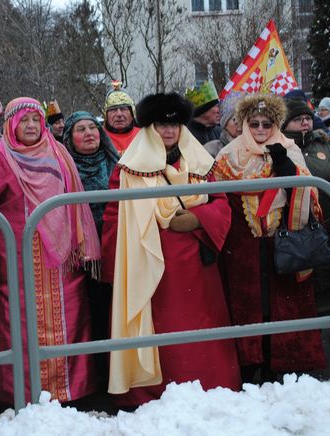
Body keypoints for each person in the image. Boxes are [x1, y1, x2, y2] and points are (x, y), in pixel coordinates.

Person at [101, 92, 240, 408]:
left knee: (201, 327)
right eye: (162, 124)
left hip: (197, 263)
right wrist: (112, 270)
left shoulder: (200, 163)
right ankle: (159, 393)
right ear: (150, 127)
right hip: (154, 266)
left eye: (175, 124)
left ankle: (213, 386)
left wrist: (197, 218)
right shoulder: (128, 169)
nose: (169, 131)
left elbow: (221, 203)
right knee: (166, 328)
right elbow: (114, 218)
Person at [0, 97, 100, 404]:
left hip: (63, 261)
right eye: (23, 120)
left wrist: (84, 250)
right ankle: (25, 394)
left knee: (71, 320)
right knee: (19, 326)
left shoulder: (60, 154)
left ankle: (71, 390)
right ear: (11, 124)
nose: (30, 126)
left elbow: (76, 203)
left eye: (36, 120)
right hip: (15, 259)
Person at [214, 94, 326, 384]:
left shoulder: (290, 150)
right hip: (242, 248)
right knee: (248, 308)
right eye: (254, 123)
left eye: (267, 123)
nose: (261, 129)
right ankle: (250, 363)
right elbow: (214, 196)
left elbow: (309, 194)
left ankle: (284, 364)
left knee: (282, 306)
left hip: (283, 241)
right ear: (244, 125)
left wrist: (285, 168)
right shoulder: (228, 155)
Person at [62, 111, 119, 389]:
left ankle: (114, 371)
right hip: (78, 252)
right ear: (69, 138)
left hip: (114, 245)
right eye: (80, 129)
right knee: (86, 312)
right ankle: (92, 375)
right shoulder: (63, 167)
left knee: (111, 309)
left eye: (93, 128)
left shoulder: (117, 163)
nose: (89, 134)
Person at [282, 98, 330, 315]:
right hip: (296, 233)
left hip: (329, 228)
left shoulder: (324, 145)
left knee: (329, 290)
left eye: (308, 118)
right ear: (284, 123)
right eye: (298, 119)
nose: (305, 123)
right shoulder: (280, 149)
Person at [203, 90, 245, 158]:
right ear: (225, 123)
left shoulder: (256, 150)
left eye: (244, 120)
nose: (240, 125)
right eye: (235, 120)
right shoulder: (211, 149)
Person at [103, 81, 140, 154]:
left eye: (123, 109)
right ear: (106, 115)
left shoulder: (144, 136)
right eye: (113, 110)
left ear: (132, 114)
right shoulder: (98, 137)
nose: (119, 114)